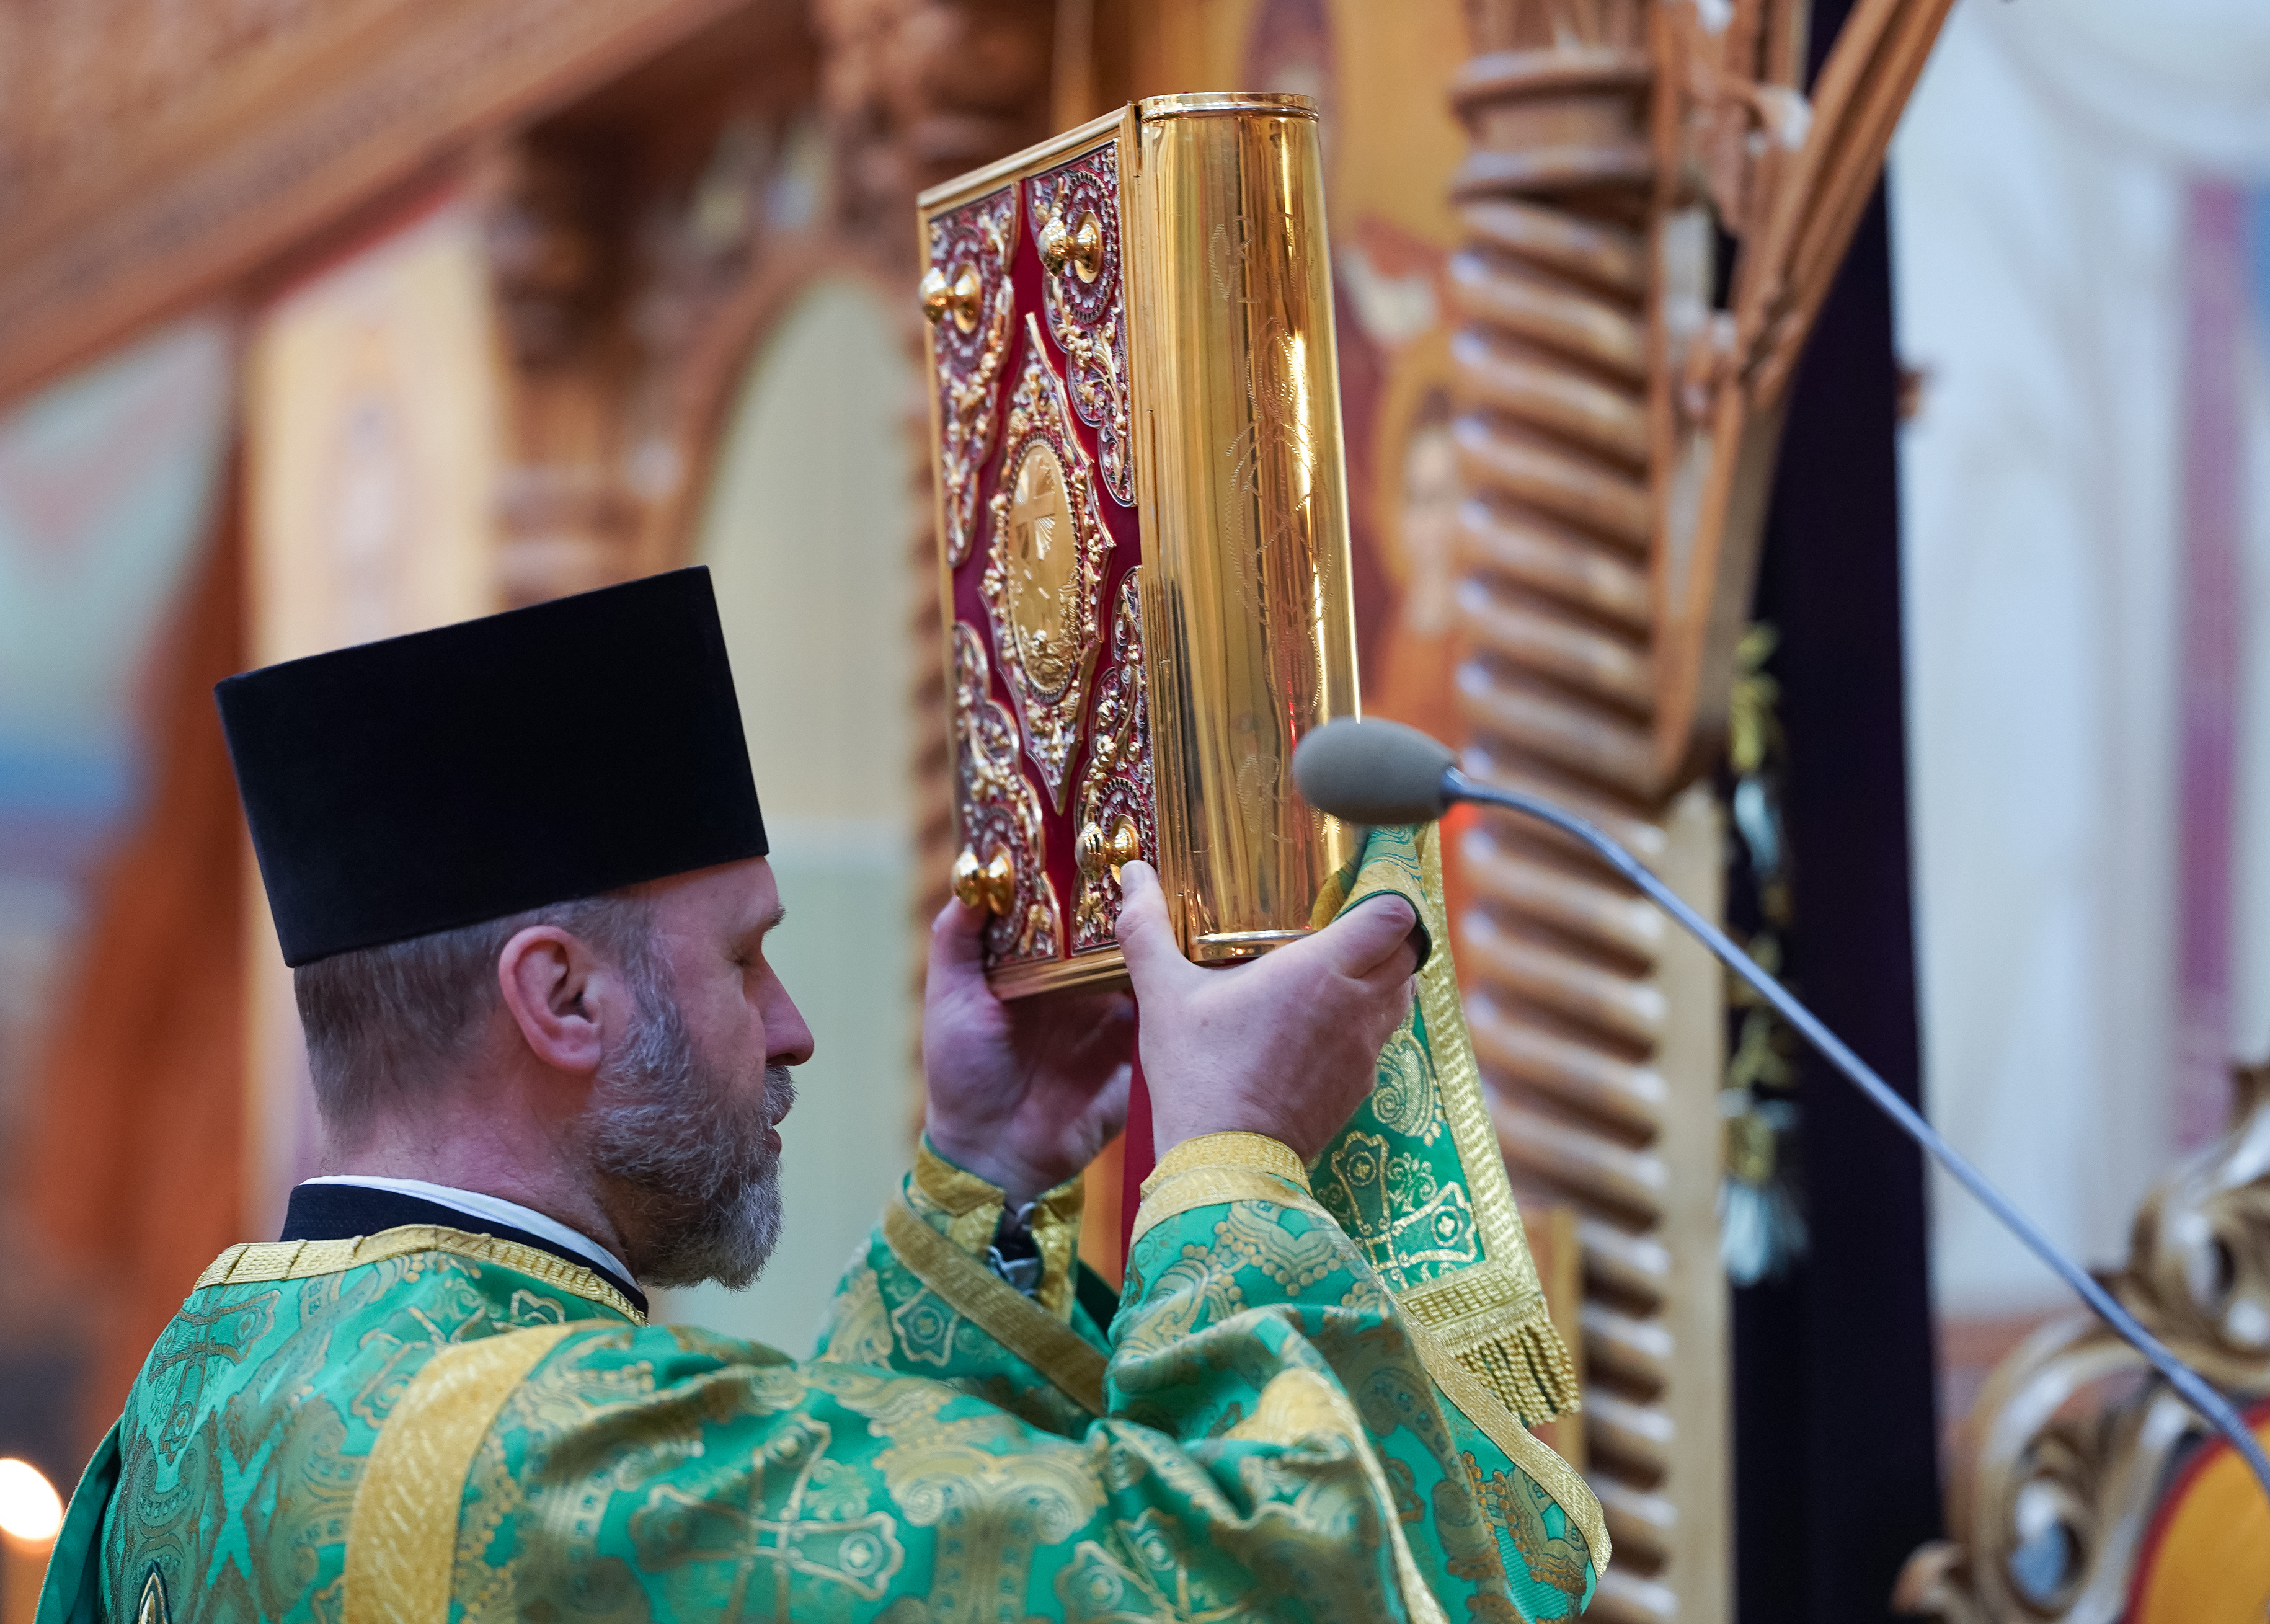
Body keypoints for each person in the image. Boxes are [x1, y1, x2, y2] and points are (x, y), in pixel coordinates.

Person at [37, 567, 1604, 1622]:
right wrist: (1228, 1160)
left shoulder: (205, 1393)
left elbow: (824, 1517)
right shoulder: (541, 1443)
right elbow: (1223, 1573)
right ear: (559, 998)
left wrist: (984, 1173)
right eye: (744, 959)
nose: (792, 1031)